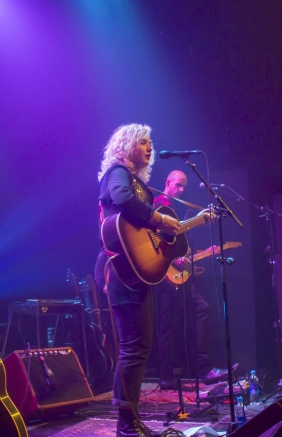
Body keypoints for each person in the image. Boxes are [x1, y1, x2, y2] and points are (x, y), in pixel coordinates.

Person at [95, 124, 181, 437]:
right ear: (126, 144)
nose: (149, 147)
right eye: (142, 141)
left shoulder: (137, 182)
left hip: (133, 269)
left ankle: (130, 423)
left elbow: (138, 224)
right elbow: (120, 199)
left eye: (150, 143)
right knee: (134, 347)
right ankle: (126, 427)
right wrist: (159, 219)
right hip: (121, 271)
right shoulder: (118, 172)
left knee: (139, 346)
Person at [153, 170, 228, 390]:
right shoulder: (158, 204)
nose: (181, 189)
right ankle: (167, 375)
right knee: (167, 325)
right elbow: (153, 239)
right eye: (178, 185)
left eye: (184, 186)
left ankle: (203, 369)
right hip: (163, 271)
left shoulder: (177, 208)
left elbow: (177, 237)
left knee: (199, 309)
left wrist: (198, 226)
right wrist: (173, 258)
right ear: (167, 182)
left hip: (178, 273)